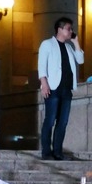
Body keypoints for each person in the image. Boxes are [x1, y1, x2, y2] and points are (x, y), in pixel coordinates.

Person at [37, 17, 84, 161]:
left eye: (71, 29)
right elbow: (41, 65)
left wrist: (76, 42)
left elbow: (80, 60)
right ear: (60, 29)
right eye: (68, 28)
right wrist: (44, 83)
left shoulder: (69, 47)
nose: (71, 31)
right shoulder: (47, 44)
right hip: (53, 88)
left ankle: (58, 152)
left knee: (62, 122)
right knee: (50, 120)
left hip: (66, 89)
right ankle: (46, 151)